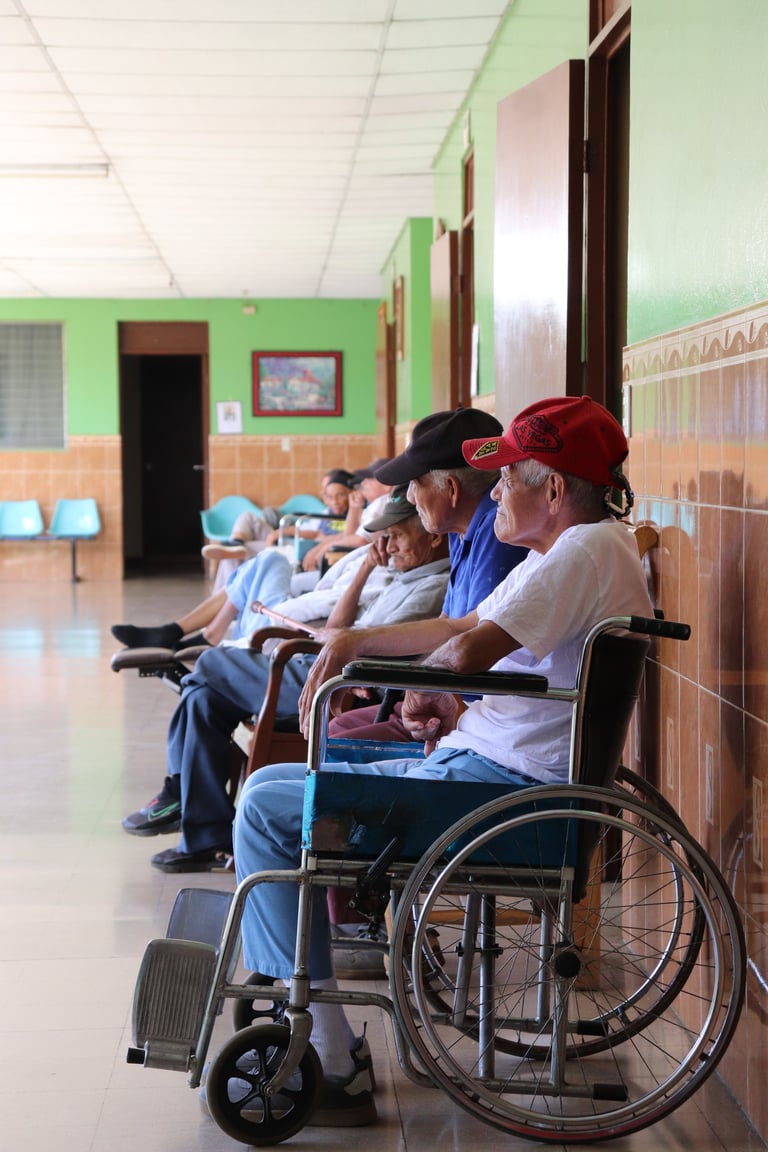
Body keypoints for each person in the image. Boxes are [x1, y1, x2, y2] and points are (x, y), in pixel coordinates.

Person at [231, 395, 654, 1127]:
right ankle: (302, 1010)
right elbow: (463, 626)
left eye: (509, 478)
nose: (495, 492)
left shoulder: (584, 550)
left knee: (268, 805)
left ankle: (324, 1049)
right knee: (273, 786)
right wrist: (357, 645)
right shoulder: (567, 551)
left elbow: (469, 651)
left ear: (552, 489)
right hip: (487, 776)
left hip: (505, 800)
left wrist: (441, 690)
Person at [122, 487, 452, 873]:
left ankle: (180, 792)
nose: (387, 546)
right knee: (202, 700)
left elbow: (362, 649)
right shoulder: (399, 573)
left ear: (433, 536)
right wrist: (365, 567)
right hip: (324, 666)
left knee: (210, 664)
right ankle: (206, 838)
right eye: (384, 537)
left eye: (396, 535)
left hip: (343, 688)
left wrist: (341, 643)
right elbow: (336, 628)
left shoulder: (432, 585)